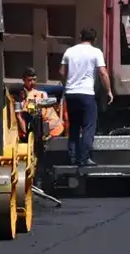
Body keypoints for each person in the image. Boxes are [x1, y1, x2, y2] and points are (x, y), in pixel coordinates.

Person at [59, 28, 113, 166]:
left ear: (80, 36)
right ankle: (84, 158)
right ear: (94, 39)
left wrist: (68, 85)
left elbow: (61, 72)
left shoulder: (69, 52)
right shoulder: (96, 52)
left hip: (71, 94)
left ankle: (72, 157)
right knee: (89, 126)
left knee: (74, 126)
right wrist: (108, 91)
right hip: (86, 94)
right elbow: (103, 73)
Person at [16, 67, 64, 140]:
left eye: (34, 80)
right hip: (33, 125)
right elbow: (19, 116)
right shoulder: (19, 95)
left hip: (48, 124)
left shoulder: (41, 93)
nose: (32, 82)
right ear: (24, 80)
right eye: (29, 80)